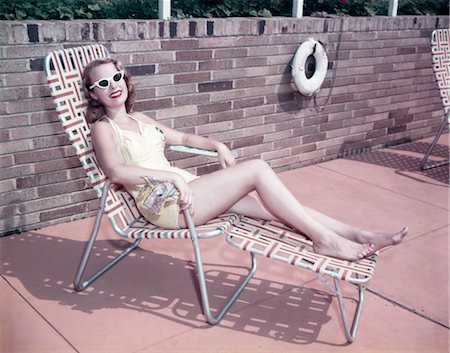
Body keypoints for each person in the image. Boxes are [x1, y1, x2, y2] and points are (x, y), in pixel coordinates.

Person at [82, 58, 407, 262]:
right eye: (102, 83)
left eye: (116, 77)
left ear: (125, 80)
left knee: (277, 206)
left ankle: (358, 235)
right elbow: (115, 170)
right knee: (256, 170)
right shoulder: (103, 128)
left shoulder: (141, 119)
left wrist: (217, 144)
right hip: (166, 206)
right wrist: (172, 178)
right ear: (93, 93)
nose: (112, 86)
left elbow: (181, 139)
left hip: (189, 190)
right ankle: (324, 240)